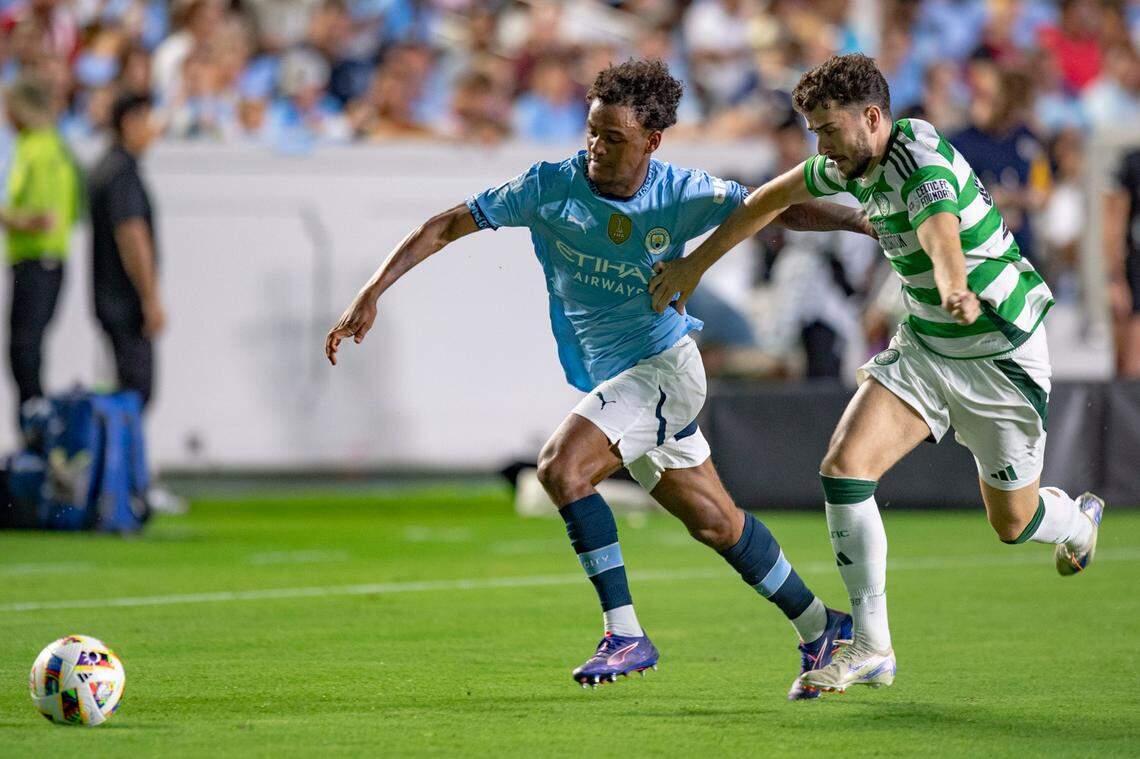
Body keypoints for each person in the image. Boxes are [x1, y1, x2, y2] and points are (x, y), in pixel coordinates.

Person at [326, 59, 875, 699]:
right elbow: (447, 224)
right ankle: (822, 625)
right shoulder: (549, 186)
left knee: (561, 468)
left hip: (665, 368)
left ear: (652, 141)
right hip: (623, 377)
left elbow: (775, 211)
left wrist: (864, 221)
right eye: (592, 131)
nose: (595, 147)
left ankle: (624, 633)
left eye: (613, 138)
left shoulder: (680, 191)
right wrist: (371, 291)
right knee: (716, 523)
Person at [649, 53, 1105, 695]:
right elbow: (765, 203)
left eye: (828, 130)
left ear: (871, 117)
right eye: (814, 132)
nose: (821, 147)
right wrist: (693, 269)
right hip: (925, 346)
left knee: (1013, 523)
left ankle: (1076, 521)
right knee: (843, 468)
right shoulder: (849, 161)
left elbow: (942, 231)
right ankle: (872, 648)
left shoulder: (918, 155)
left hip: (999, 357)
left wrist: (953, 285)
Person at [3, 72, 80, 415]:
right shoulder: (41, 145)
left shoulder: (42, 149)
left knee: (25, 350)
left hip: (40, 260)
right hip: (33, 260)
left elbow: (43, 217)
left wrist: (7, 216)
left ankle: (37, 431)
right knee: (24, 351)